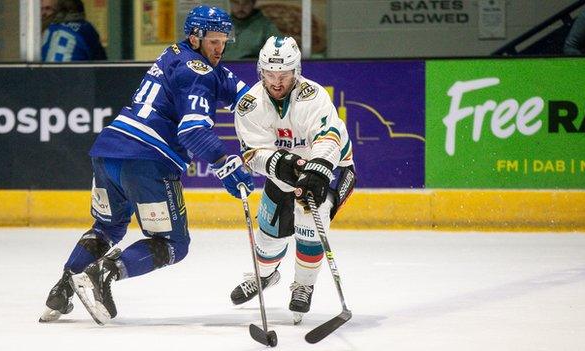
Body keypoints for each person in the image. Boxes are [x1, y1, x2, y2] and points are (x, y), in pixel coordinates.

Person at [39, 5, 254, 325]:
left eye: (224, 41)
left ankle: (63, 289)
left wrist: (263, 107)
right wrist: (225, 164)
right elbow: (193, 130)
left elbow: (234, 89)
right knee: (173, 244)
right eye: (213, 41)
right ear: (195, 38)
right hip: (147, 162)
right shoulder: (199, 72)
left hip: (108, 151)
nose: (220, 48)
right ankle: (105, 273)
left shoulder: (175, 55)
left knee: (107, 227)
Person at [229, 36, 356, 323]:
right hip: (285, 171)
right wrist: (276, 162)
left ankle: (303, 285)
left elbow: (329, 137)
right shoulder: (250, 105)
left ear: (295, 72)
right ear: (261, 71)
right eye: (270, 74)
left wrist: (318, 167)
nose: (276, 81)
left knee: (310, 219)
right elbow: (252, 152)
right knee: (268, 238)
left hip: (332, 168)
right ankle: (264, 275)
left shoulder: (313, 95)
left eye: (283, 75)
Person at [41, 0, 107, 61]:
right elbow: (101, 61)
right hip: (75, 72)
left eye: (48, 9)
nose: (44, 13)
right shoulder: (86, 28)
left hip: (46, 72)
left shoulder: (49, 29)